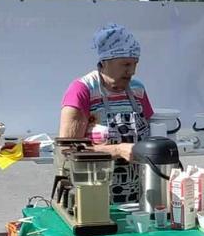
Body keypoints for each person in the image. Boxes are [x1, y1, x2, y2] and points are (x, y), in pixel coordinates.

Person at [59, 23, 154, 203]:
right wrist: (117, 150)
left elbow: (153, 134)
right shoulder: (82, 90)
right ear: (105, 62)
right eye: (125, 64)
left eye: (135, 64)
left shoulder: (137, 90)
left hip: (136, 193)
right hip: (92, 192)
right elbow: (67, 150)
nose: (132, 71)